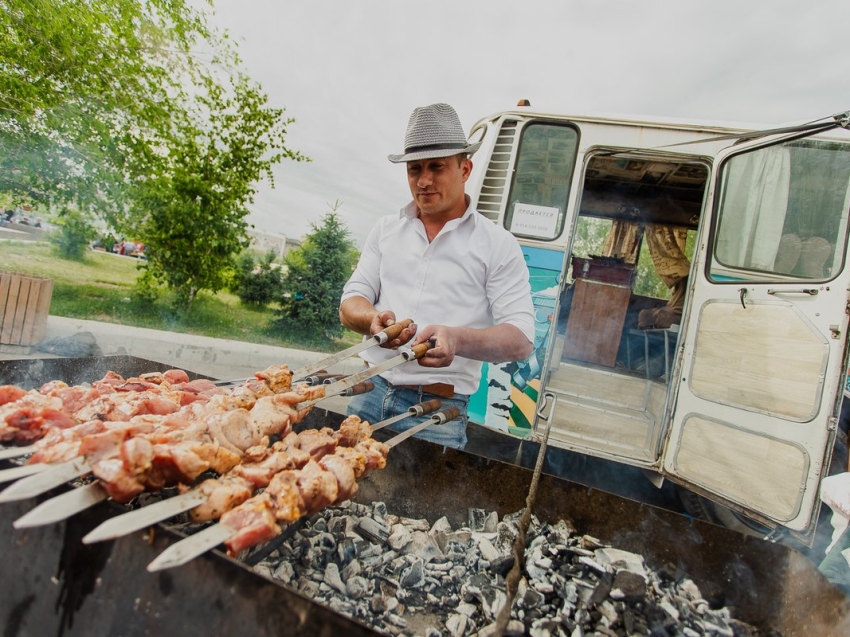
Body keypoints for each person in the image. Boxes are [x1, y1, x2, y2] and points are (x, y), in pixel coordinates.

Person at [339, 103, 535, 449]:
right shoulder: (386, 230)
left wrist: (458, 340)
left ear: (465, 169)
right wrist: (372, 320)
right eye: (414, 169)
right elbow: (351, 302)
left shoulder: (498, 244)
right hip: (367, 391)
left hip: (437, 412)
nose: (424, 180)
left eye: (437, 167)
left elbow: (520, 339)